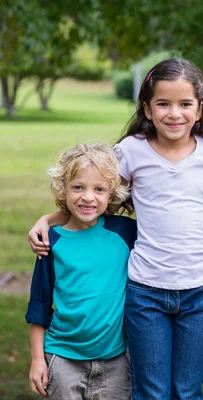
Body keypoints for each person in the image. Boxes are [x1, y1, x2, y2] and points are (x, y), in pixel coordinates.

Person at [27, 58, 203, 399]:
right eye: (163, 104)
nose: (174, 113)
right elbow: (95, 196)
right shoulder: (131, 151)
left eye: (185, 104)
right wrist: (48, 219)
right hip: (146, 293)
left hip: (200, 290)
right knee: (151, 391)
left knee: (187, 390)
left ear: (199, 109)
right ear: (147, 108)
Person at [25, 142, 136, 399]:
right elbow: (39, 305)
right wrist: (37, 360)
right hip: (62, 359)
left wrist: (47, 217)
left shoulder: (124, 232)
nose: (88, 197)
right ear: (63, 189)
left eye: (99, 189)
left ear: (111, 194)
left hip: (116, 362)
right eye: (78, 187)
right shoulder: (50, 241)